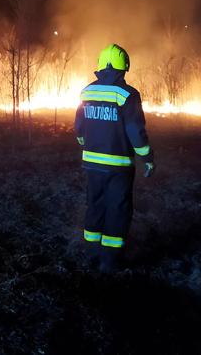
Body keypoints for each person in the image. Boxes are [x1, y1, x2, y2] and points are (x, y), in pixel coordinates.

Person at [74, 43, 154, 273]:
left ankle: (91, 253)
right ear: (124, 67)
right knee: (117, 210)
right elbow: (135, 131)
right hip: (119, 166)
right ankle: (109, 261)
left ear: (100, 66)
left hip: (91, 164)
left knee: (95, 205)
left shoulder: (87, 91)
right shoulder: (127, 95)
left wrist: (84, 144)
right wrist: (147, 157)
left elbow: (79, 127)